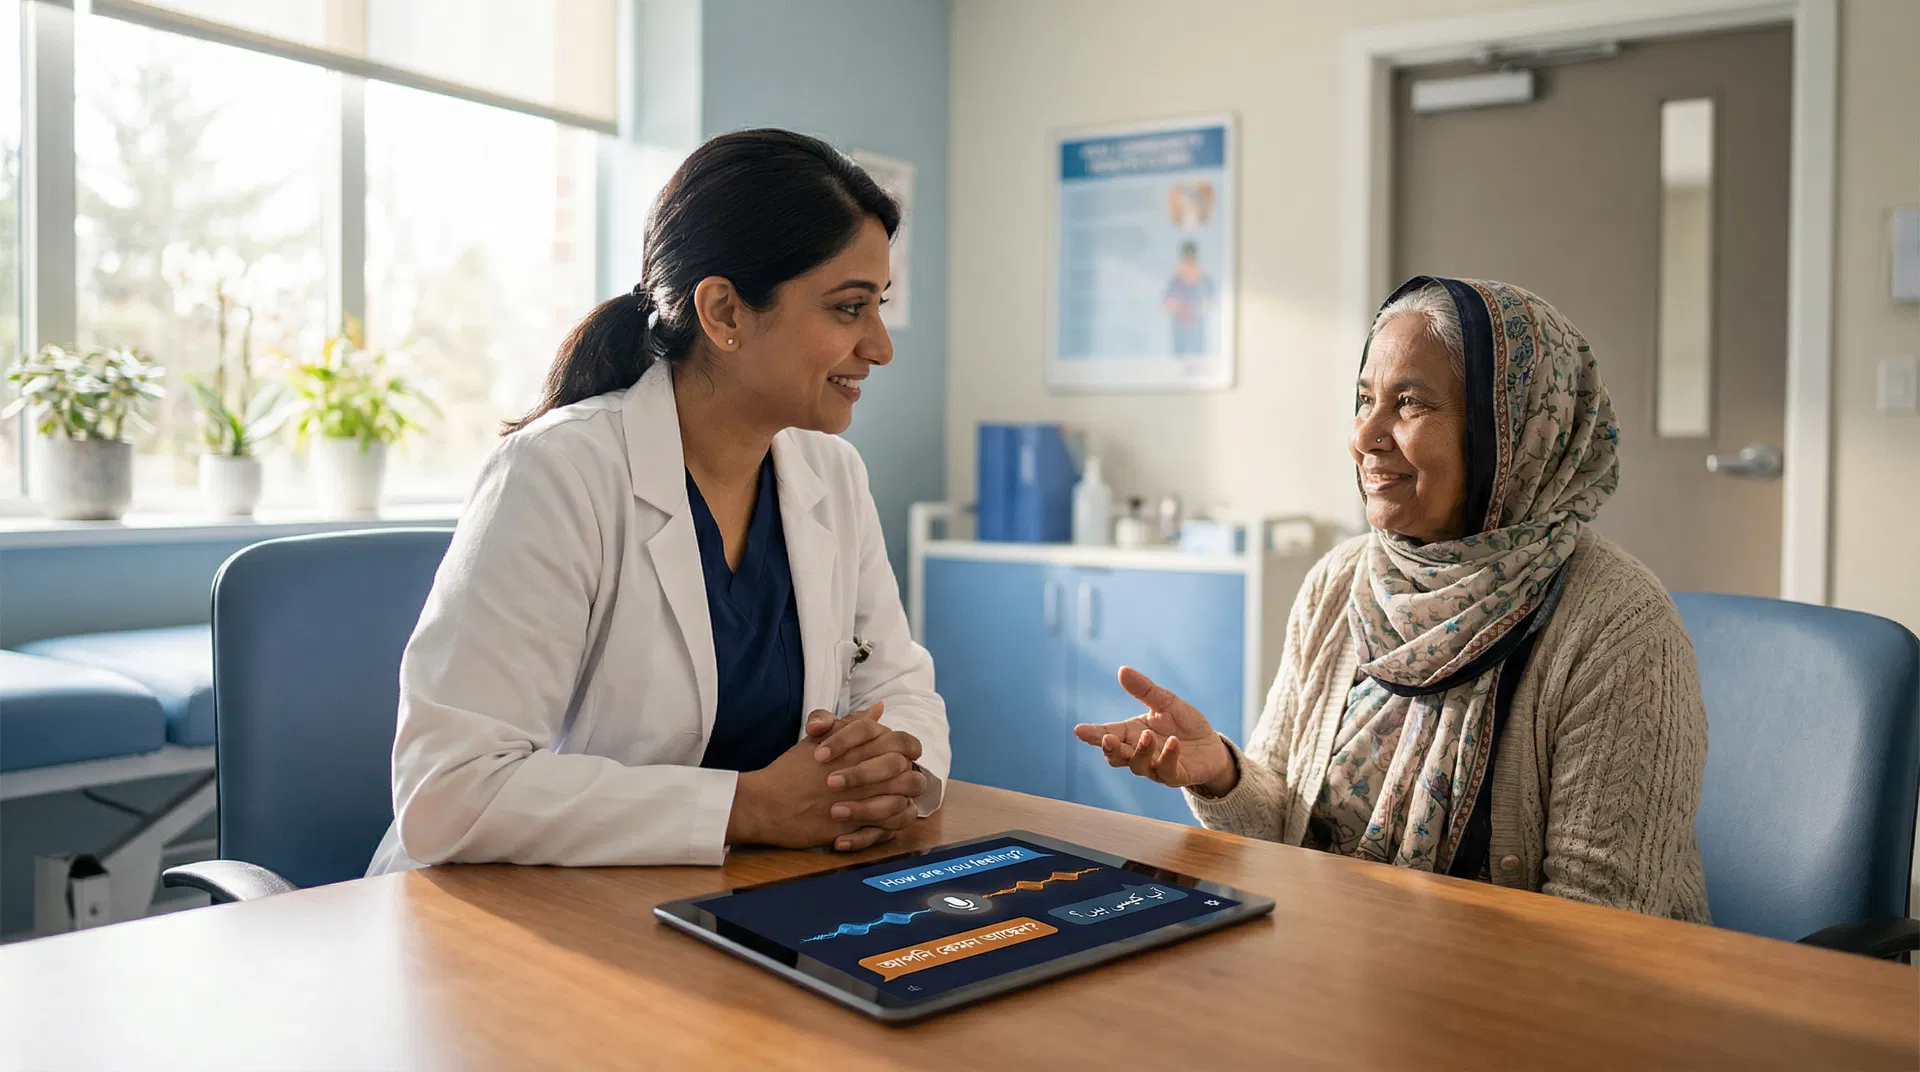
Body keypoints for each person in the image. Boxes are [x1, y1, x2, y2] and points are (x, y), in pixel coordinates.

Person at [366, 129, 949, 874]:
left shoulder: (832, 475)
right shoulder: (559, 471)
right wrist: (752, 806)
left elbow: (899, 686)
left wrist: (890, 770)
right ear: (725, 313)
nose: (880, 345)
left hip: (732, 896)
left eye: (879, 306)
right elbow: (451, 791)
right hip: (511, 919)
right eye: (847, 309)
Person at [1075, 276, 1710, 920]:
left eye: (1409, 403)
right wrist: (1222, 775)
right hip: (1341, 961)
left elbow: (1601, 926)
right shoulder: (1340, 581)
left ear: (1513, 431)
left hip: (1516, 998)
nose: (1364, 436)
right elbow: (1283, 828)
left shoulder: (1620, 629)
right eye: (1364, 398)